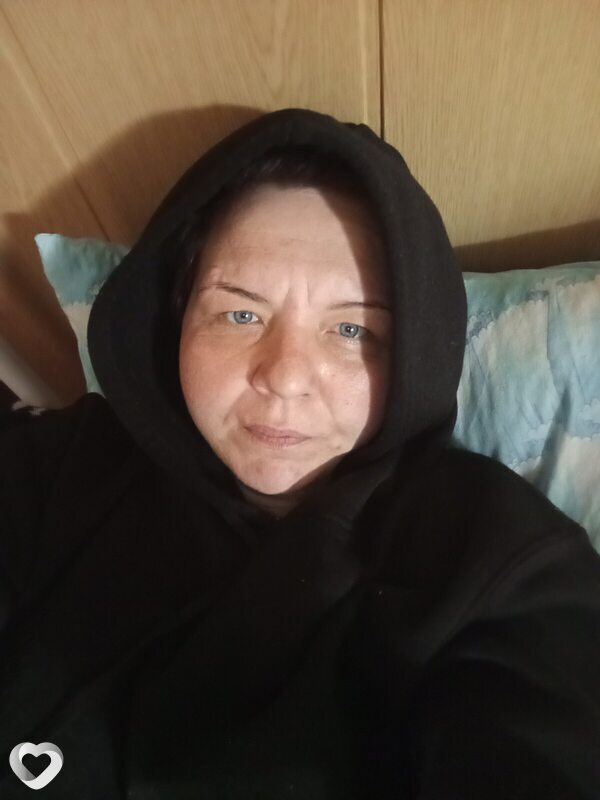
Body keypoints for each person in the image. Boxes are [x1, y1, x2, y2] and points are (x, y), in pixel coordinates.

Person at [1, 107, 599, 799]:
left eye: (351, 330)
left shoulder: (501, 560)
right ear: (176, 318)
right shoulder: (64, 467)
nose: (284, 377)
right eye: (241, 314)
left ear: (416, 352)